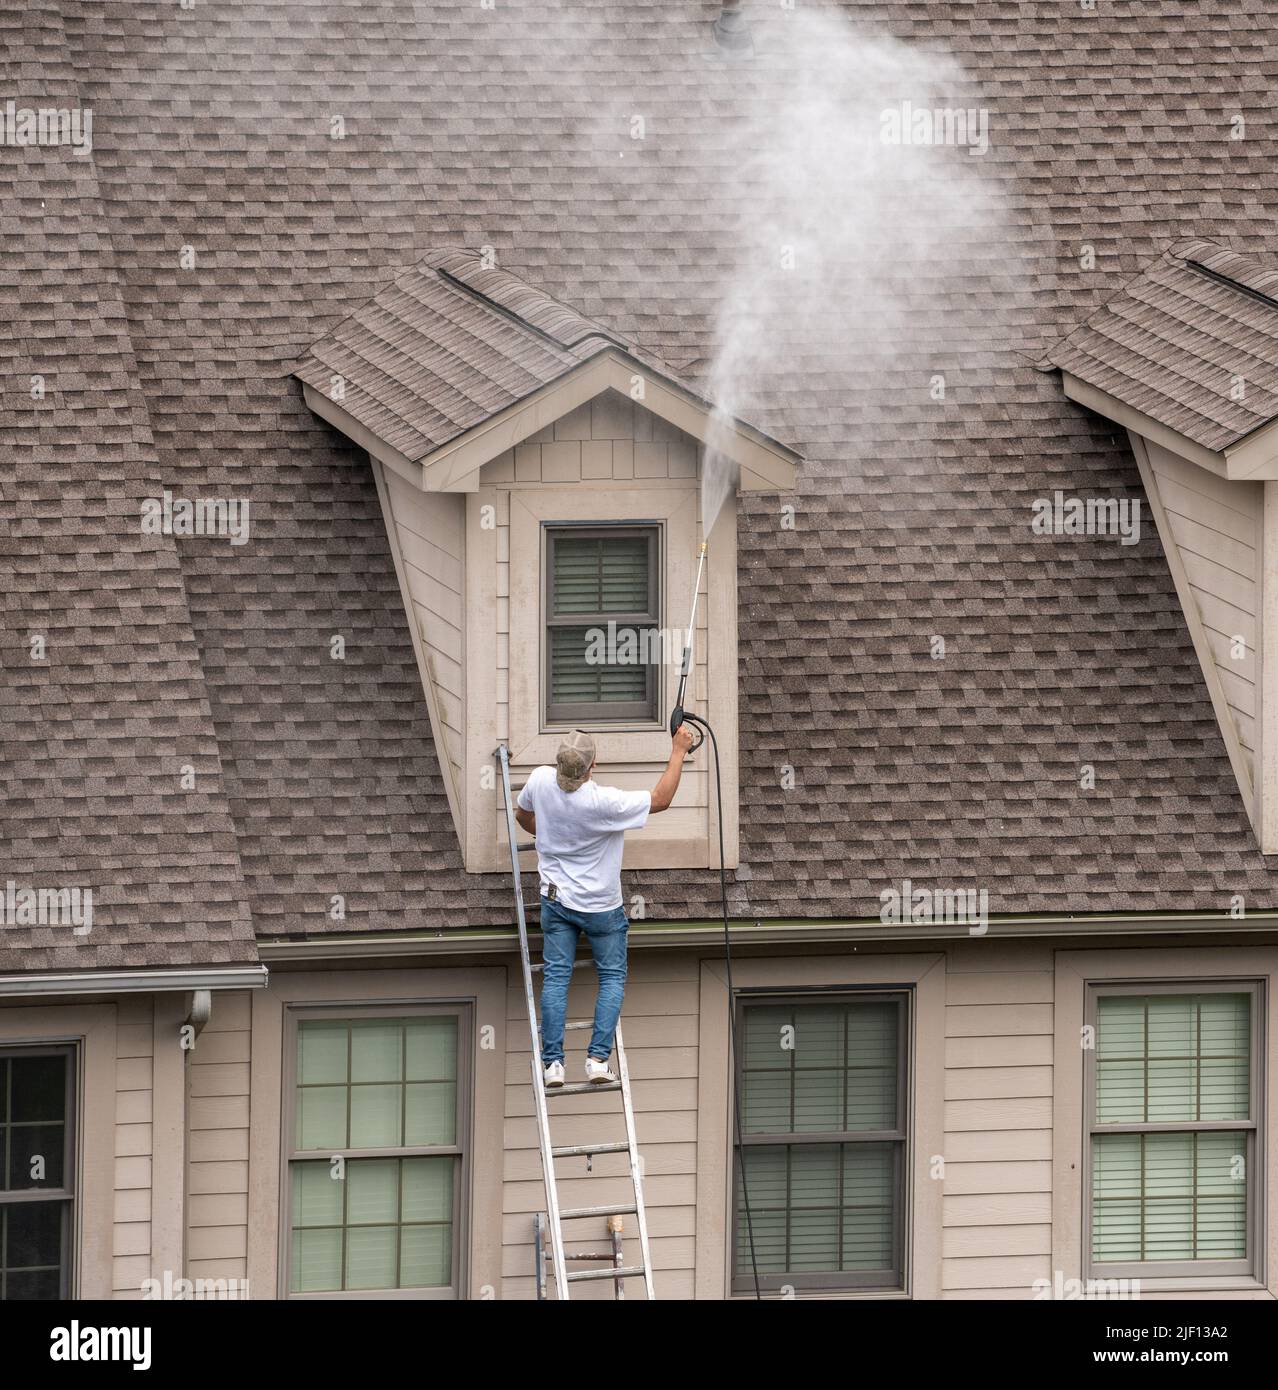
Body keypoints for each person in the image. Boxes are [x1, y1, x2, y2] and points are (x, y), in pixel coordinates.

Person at [515, 725, 695, 1087]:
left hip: (555, 900)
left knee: (556, 978)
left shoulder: (538, 780)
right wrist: (678, 751)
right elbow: (660, 799)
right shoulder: (604, 802)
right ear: (592, 765)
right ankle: (597, 1060)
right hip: (600, 907)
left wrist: (551, 832)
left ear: (558, 762)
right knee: (611, 977)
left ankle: (553, 1066)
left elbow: (522, 817)